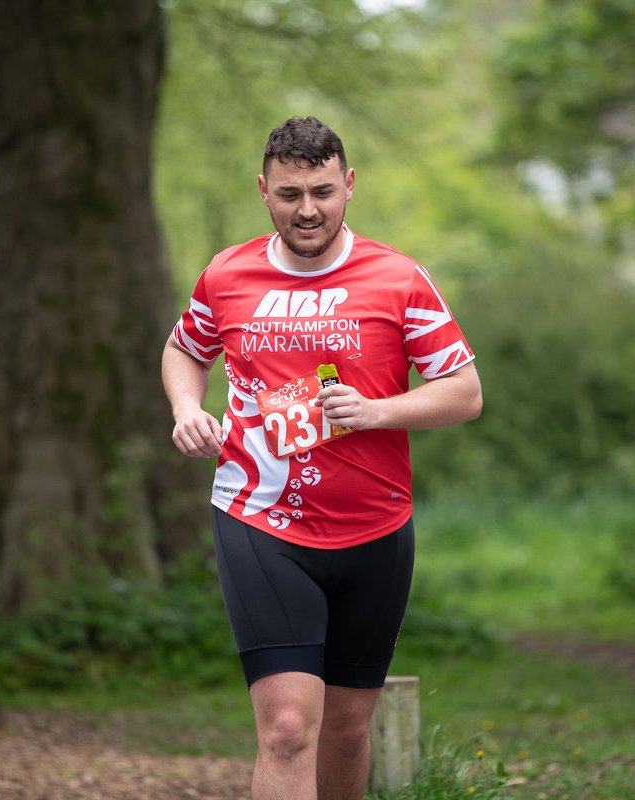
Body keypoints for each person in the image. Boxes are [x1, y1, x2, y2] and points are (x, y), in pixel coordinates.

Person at [161, 115, 482, 800]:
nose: (307, 210)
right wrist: (189, 411)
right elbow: (186, 348)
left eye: (322, 191)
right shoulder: (227, 273)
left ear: (350, 187)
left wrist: (378, 412)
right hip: (260, 519)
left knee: (344, 731)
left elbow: (464, 392)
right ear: (264, 191)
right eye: (289, 194)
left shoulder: (398, 278)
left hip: (375, 527)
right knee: (285, 728)